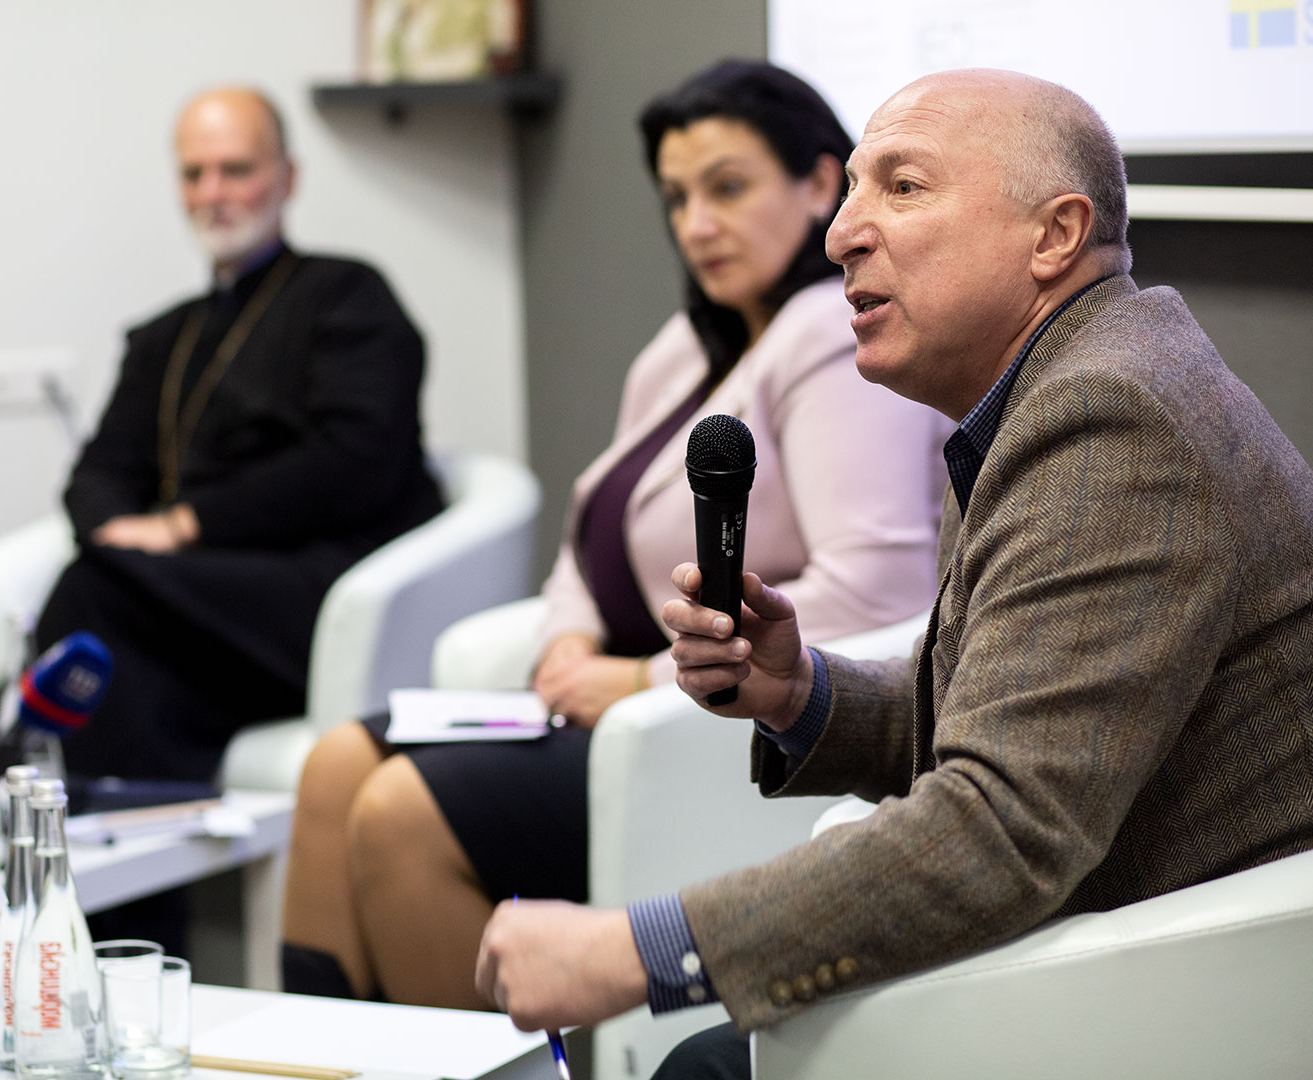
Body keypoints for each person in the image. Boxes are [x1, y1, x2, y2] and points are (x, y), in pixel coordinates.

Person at [472, 68, 1313, 1079]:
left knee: (702, 1063)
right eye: (852, 190)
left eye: (903, 188)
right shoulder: (1048, 390)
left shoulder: (1109, 423)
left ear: (1054, 235)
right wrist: (801, 692)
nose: (840, 235)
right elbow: (1000, 718)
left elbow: (1000, 828)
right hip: (1101, 948)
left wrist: (636, 952)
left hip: (1166, 999)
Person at [280, 61, 953, 1009]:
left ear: (818, 183)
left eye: (727, 188)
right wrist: (567, 638)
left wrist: (636, 679)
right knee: (333, 768)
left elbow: (877, 593)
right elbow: (585, 535)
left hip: (702, 728)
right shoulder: (691, 344)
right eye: (677, 198)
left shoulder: (831, 338)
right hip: (604, 702)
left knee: (399, 810)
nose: (696, 223)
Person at [34, 87, 443, 786]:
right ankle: (122, 827)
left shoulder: (348, 297)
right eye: (194, 174)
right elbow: (98, 474)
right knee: (109, 617)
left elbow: (356, 462)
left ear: (288, 177)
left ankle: (59, 795)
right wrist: (117, 537)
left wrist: (183, 526)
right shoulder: (163, 338)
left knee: (95, 598)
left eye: (236, 170)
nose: (213, 193)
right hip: (187, 603)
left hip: (313, 596)